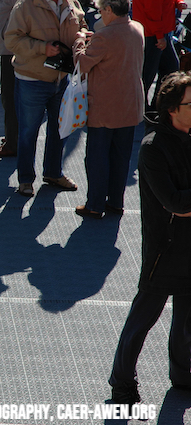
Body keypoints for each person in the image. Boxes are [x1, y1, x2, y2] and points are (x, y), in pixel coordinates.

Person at [109, 71, 191, 405]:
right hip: (164, 248)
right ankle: (122, 382)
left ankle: (183, 374)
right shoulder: (153, 148)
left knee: (187, 319)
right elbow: (175, 203)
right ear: (172, 109)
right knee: (143, 319)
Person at [5, 0, 87, 197]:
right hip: (31, 80)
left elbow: (83, 26)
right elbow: (11, 40)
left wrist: (83, 36)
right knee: (28, 132)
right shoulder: (24, 7)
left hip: (62, 79)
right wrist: (43, 48)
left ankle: (53, 173)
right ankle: (25, 179)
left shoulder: (71, 3)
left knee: (61, 129)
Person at [72, 0, 144, 218]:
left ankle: (95, 205)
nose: (100, 13)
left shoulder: (104, 36)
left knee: (97, 157)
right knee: (121, 157)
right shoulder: (137, 29)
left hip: (105, 107)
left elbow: (82, 63)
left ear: (109, 10)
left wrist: (79, 41)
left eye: (101, 9)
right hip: (130, 105)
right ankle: (115, 202)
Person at [132, 0, 186, 111]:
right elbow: (152, 12)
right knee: (149, 74)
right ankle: (142, 107)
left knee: (168, 69)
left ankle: (155, 105)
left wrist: (178, 2)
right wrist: (159, 36)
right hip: (152, 33)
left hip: (158, 32)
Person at [0, 0, 18, 158]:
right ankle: (13, 137)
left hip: (12, 49)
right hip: (11, 47)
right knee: (10, 96)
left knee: (10, 97)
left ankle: (12, 143)